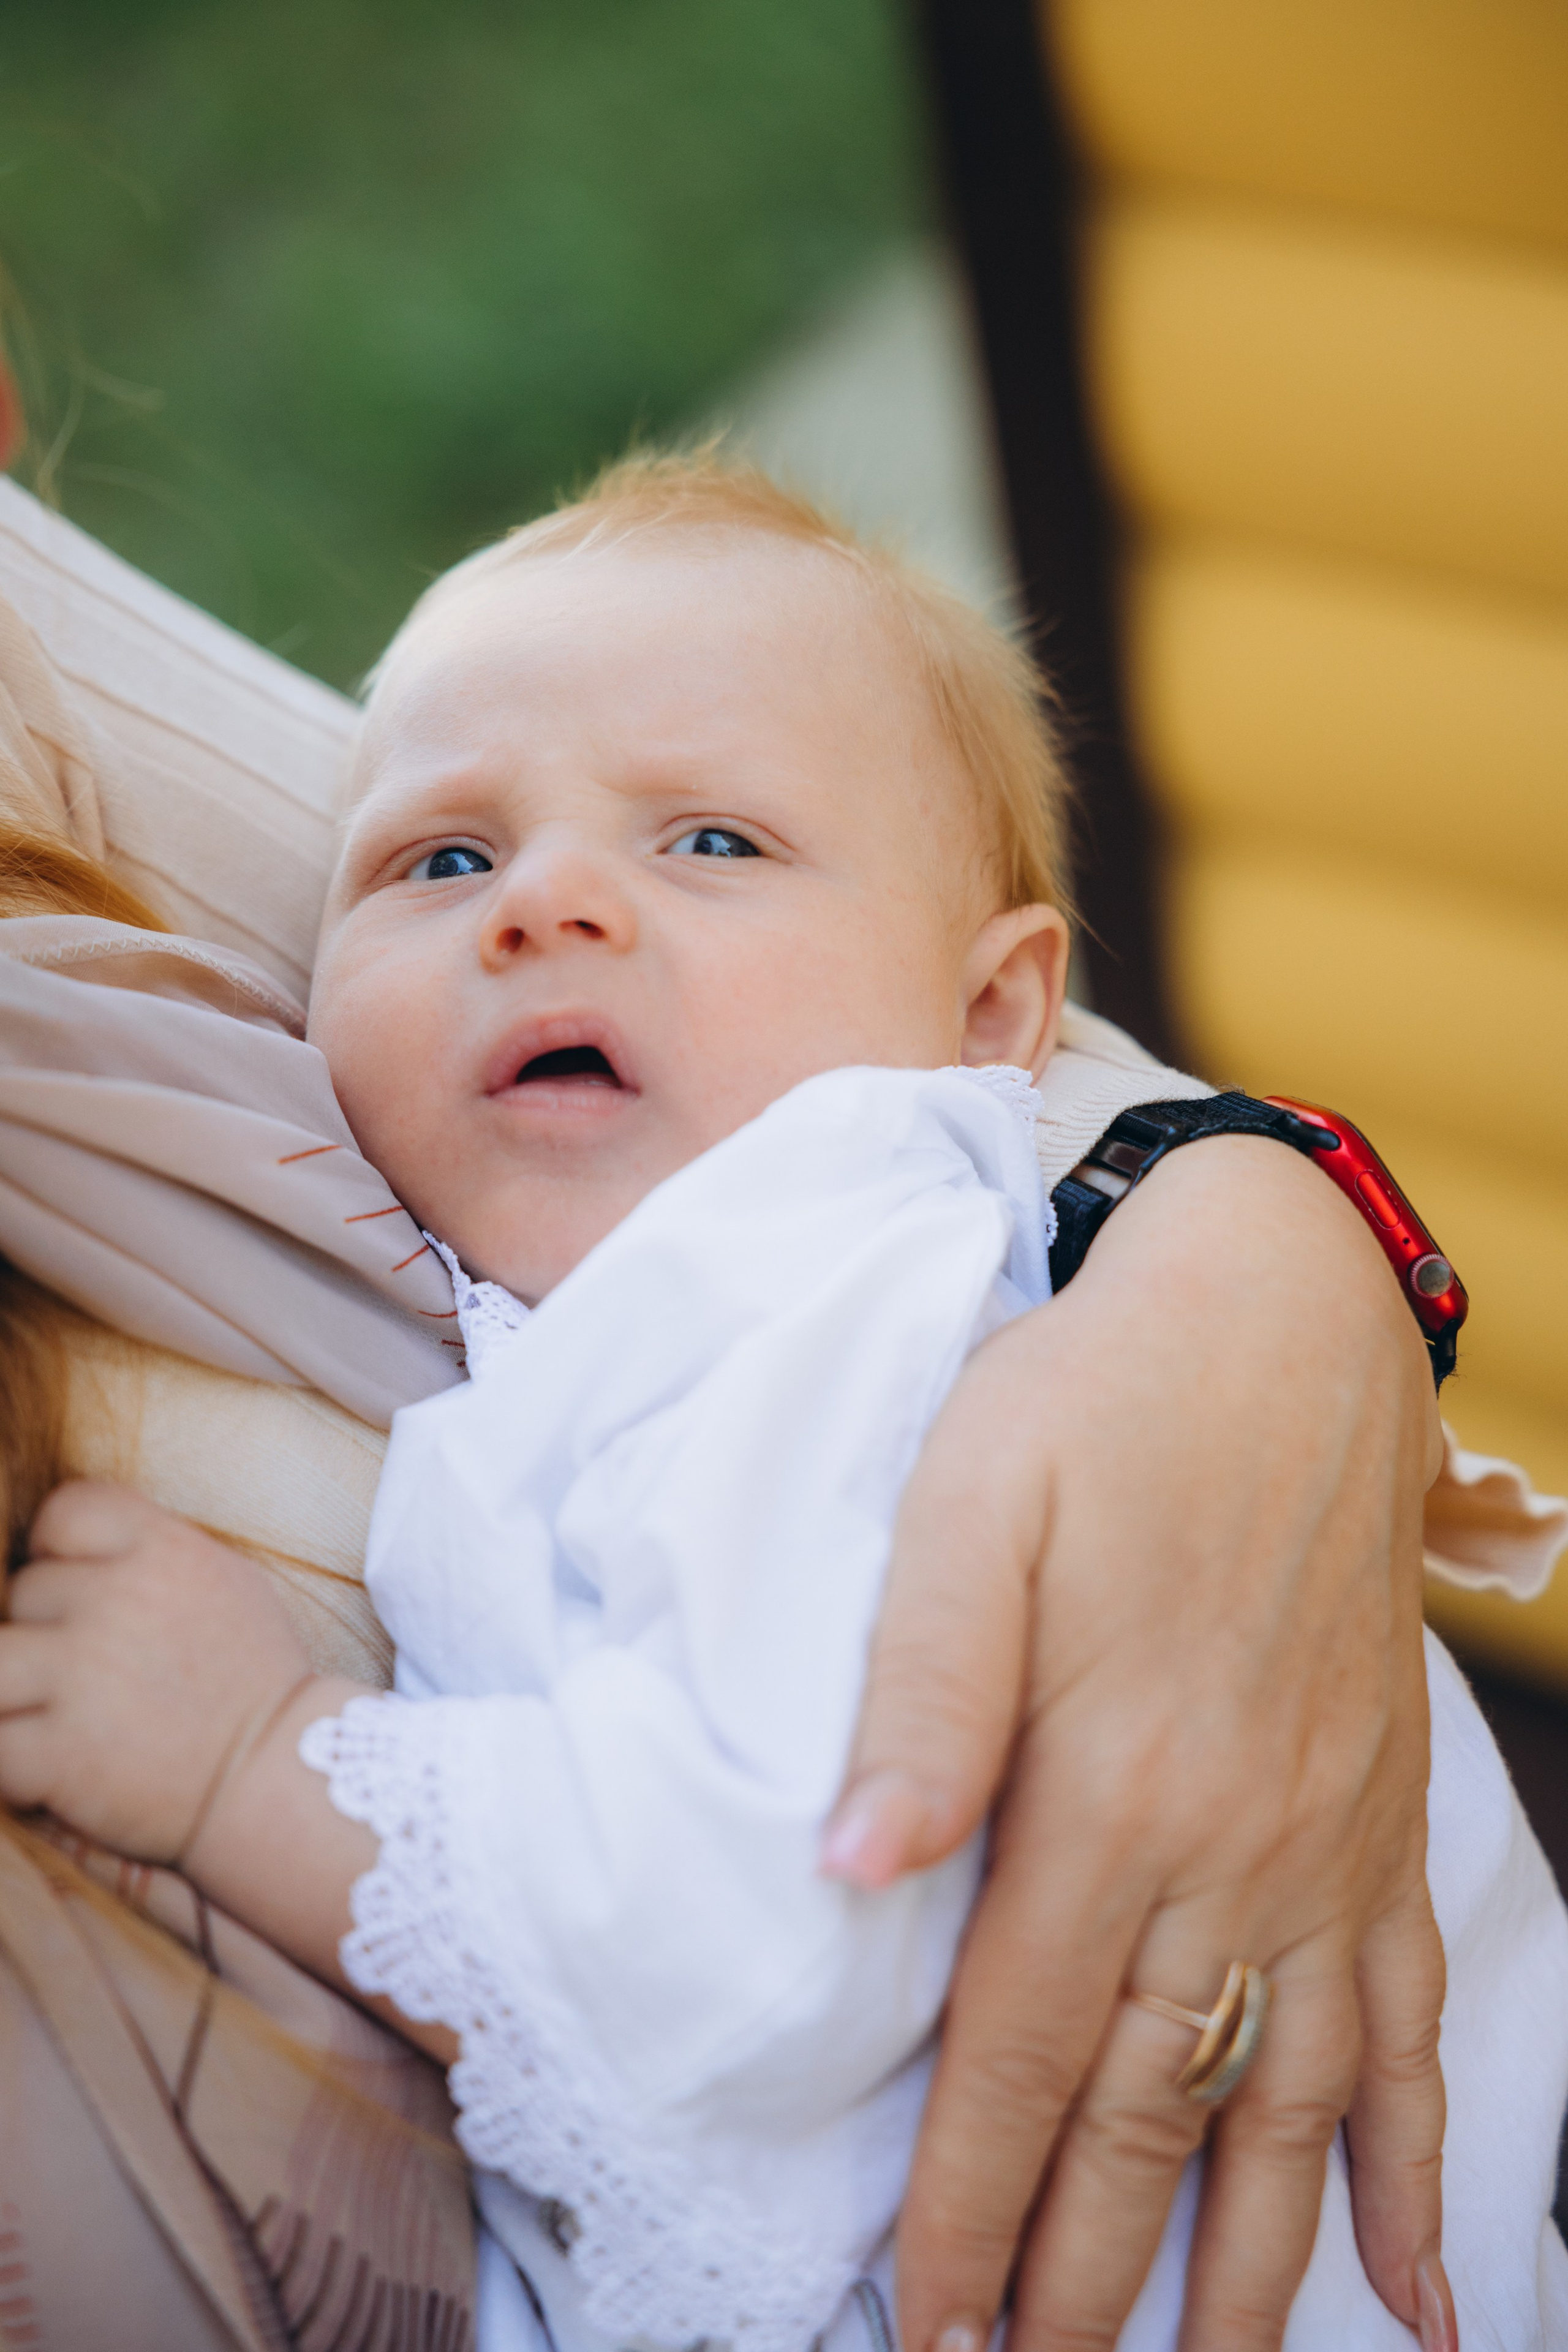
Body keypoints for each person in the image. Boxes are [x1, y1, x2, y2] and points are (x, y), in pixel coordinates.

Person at [2, 456, 1564, 2350]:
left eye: (713, 845)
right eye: (441, 860)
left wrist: (254, 1764)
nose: (544, 905)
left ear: (997, 1017)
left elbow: (764, 1947)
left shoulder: (820, 1297)